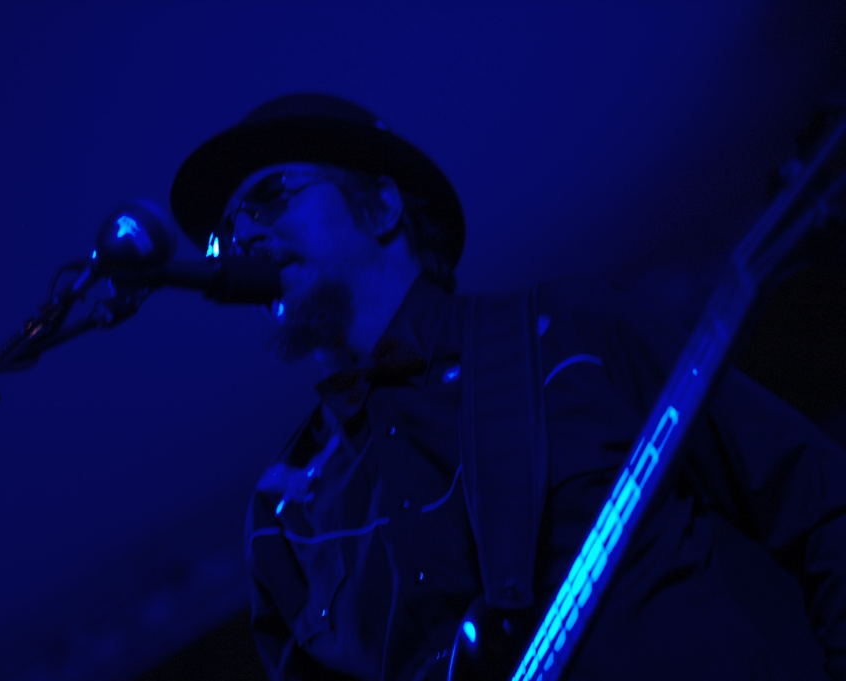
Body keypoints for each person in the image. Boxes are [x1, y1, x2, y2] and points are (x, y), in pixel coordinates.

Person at [168, 93, 846, 681]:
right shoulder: (285, 515)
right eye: (226, 234)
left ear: (381, 206)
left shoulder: (574, 333)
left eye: (270, 195)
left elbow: (822, 506)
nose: (243, 235)